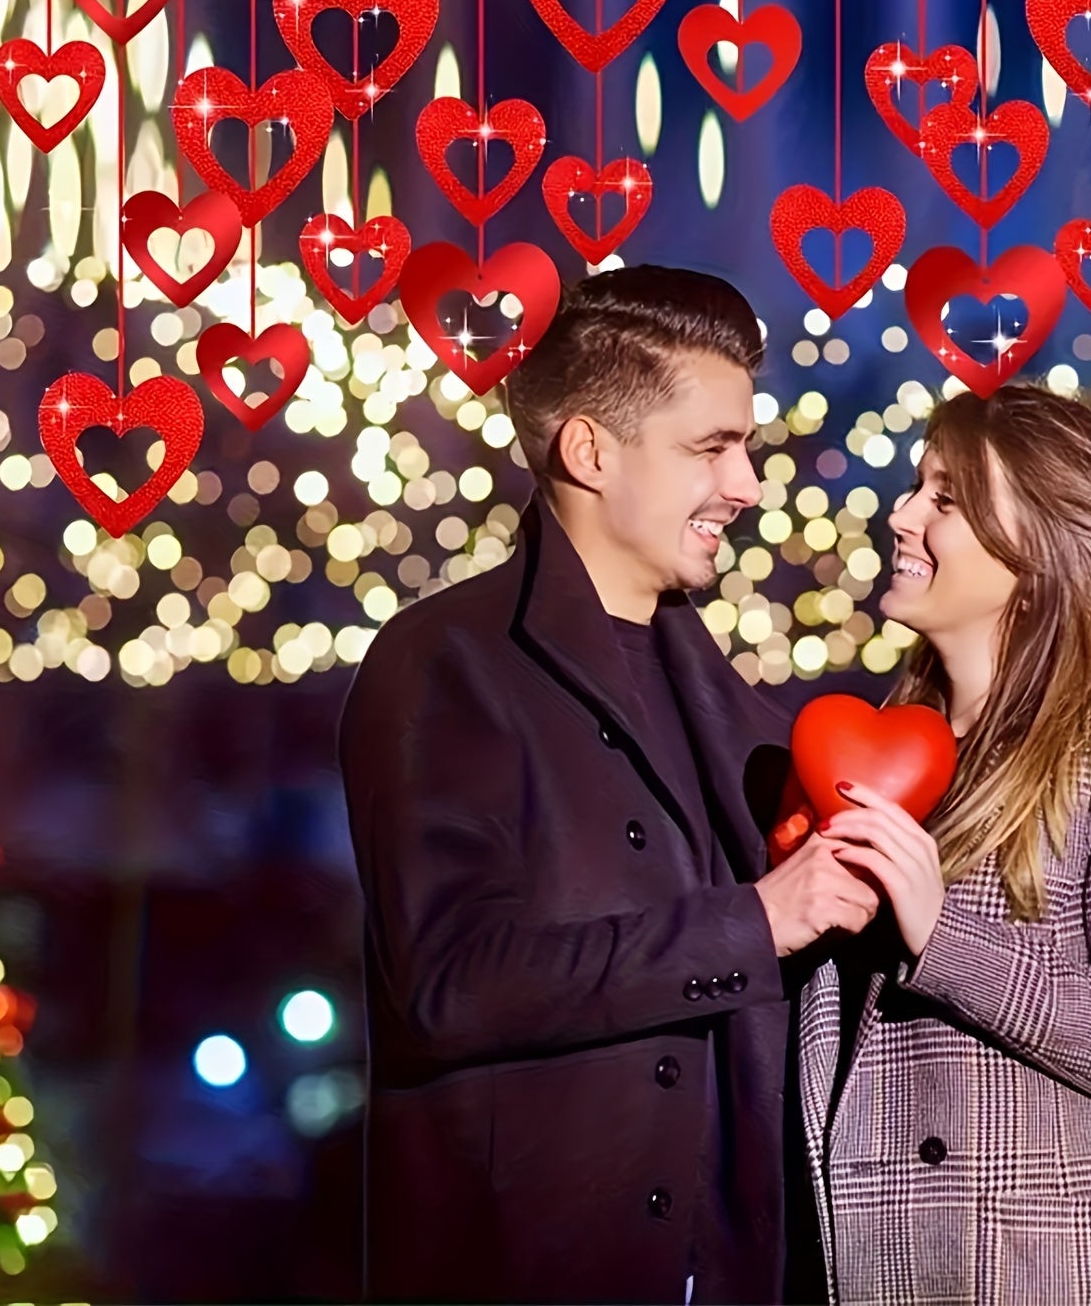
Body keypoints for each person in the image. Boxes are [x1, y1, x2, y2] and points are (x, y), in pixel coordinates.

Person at [339, 265, 879, 1305]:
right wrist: (754, 924)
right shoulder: (444, 662)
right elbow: (451, 986)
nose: (748, 486)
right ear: (589, 450)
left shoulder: (742, 709)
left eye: (745, 448)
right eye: (711, 449)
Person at [796, 381, 1091, 1306]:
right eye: (917, 487)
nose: (903, 516)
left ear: (1038, 552)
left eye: (947, 499)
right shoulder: (891, 746)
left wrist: (943, 939)